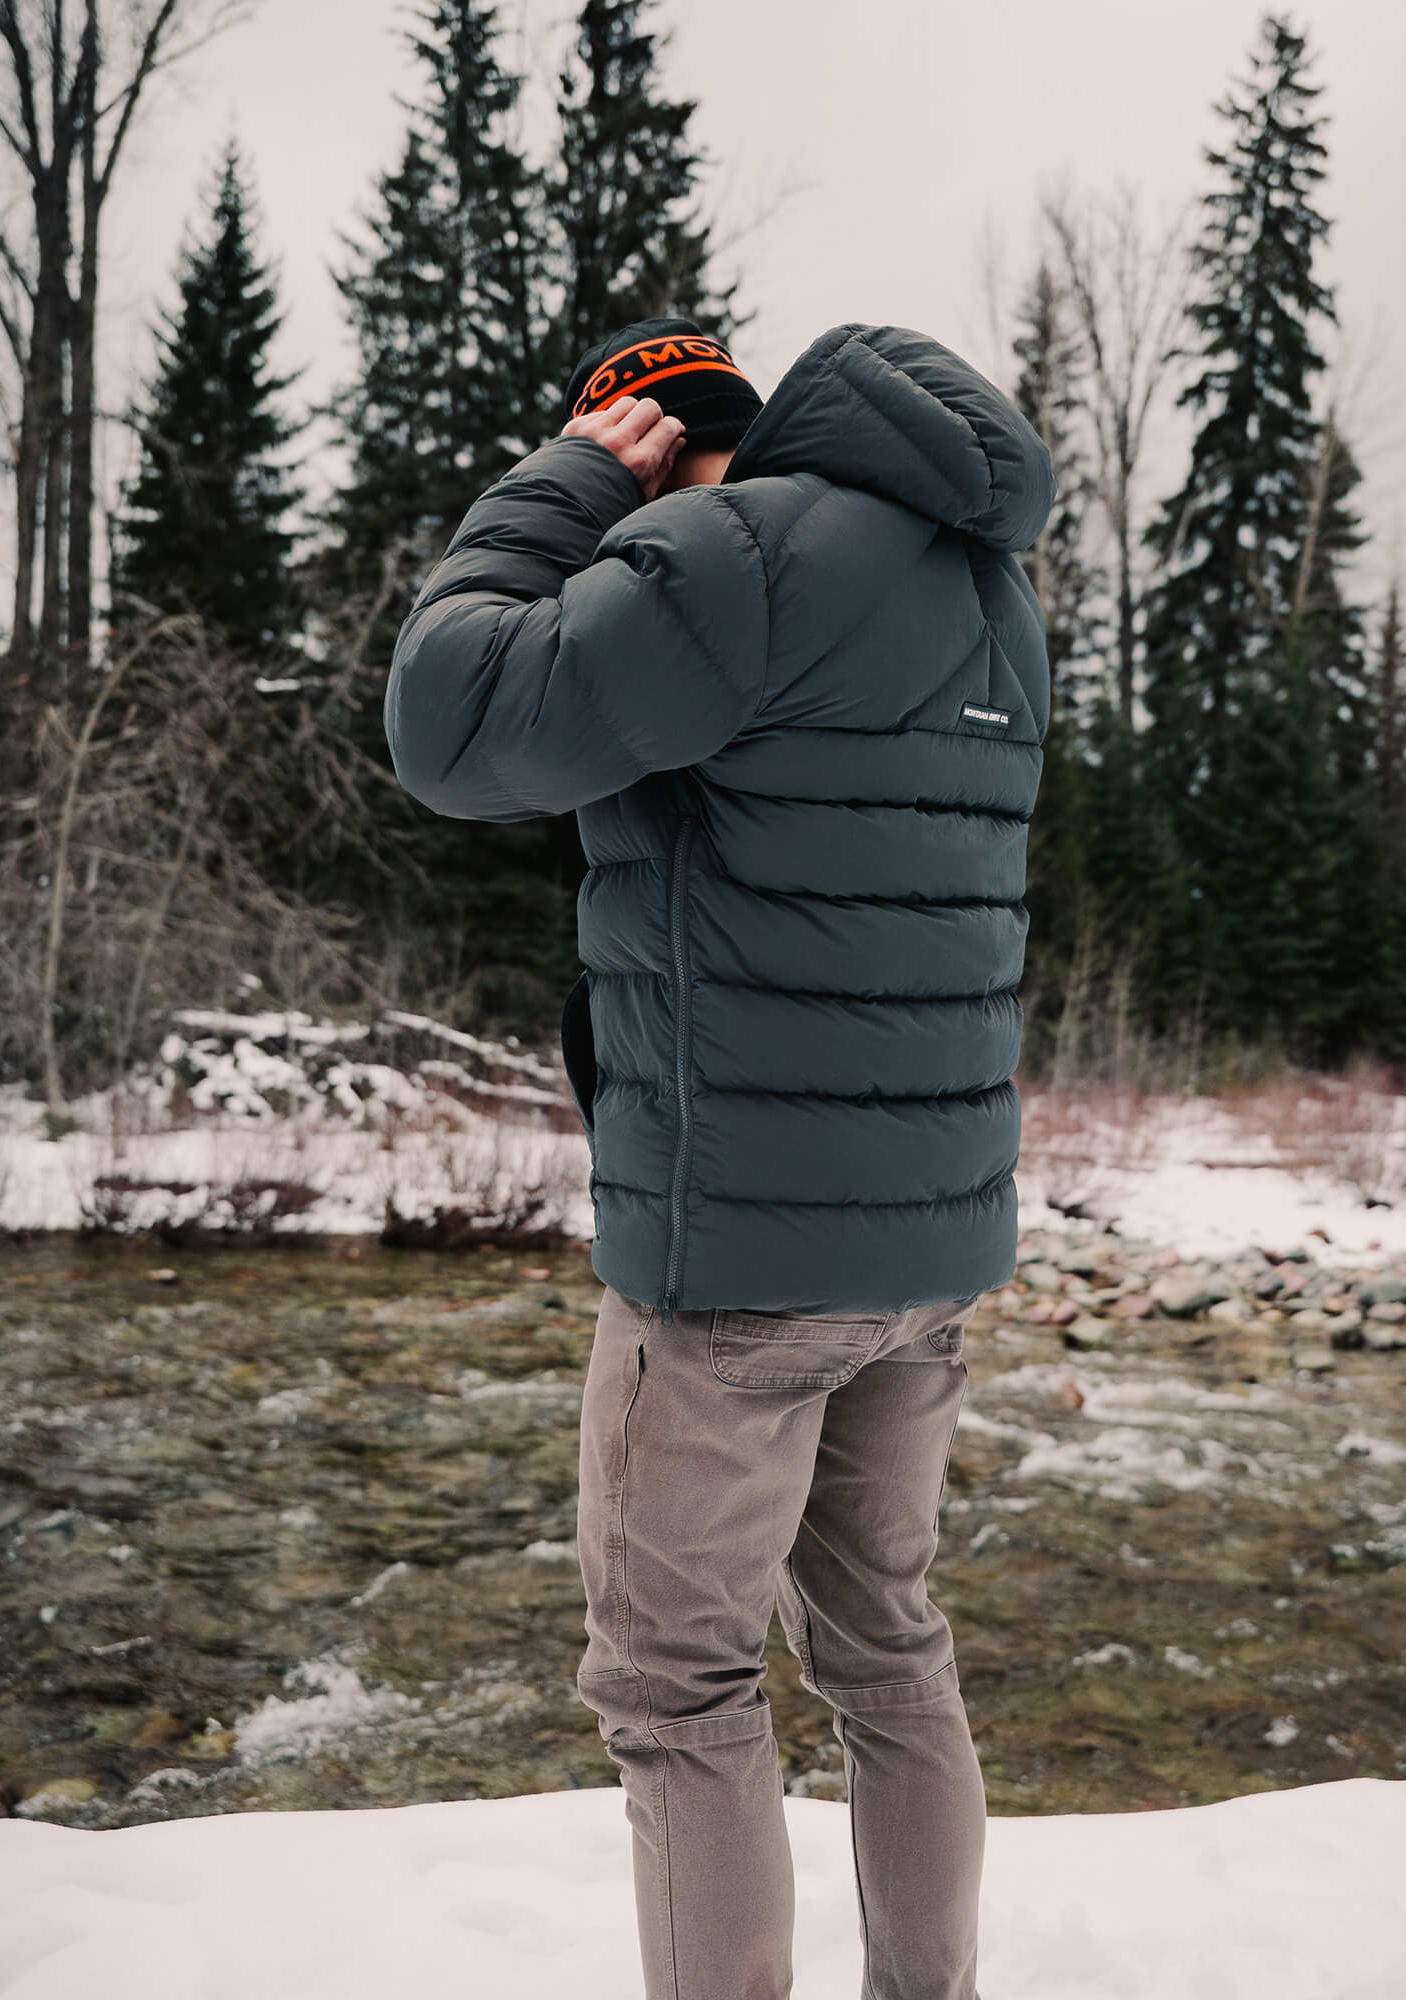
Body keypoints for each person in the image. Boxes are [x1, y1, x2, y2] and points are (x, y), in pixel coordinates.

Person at [384, 317, 1053, 2000]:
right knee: (892, 1655)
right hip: (925, 1256)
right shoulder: (983, 589)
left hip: (739, 1264)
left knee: (679, 1696)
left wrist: (550, 490)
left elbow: (451, 719)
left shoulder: (727, 553)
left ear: (644, 437)